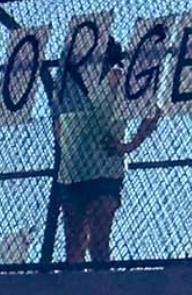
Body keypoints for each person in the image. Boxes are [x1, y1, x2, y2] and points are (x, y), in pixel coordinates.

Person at [53, 39, 160, 263]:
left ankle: (101, 291)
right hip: (74, 171)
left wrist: (129, 145)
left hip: (104, 169)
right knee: (73, 246)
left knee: (98, 242)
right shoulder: (69, 83)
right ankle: (76, 294)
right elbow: (58, 122)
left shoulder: (116, 78)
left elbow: (153, 110)